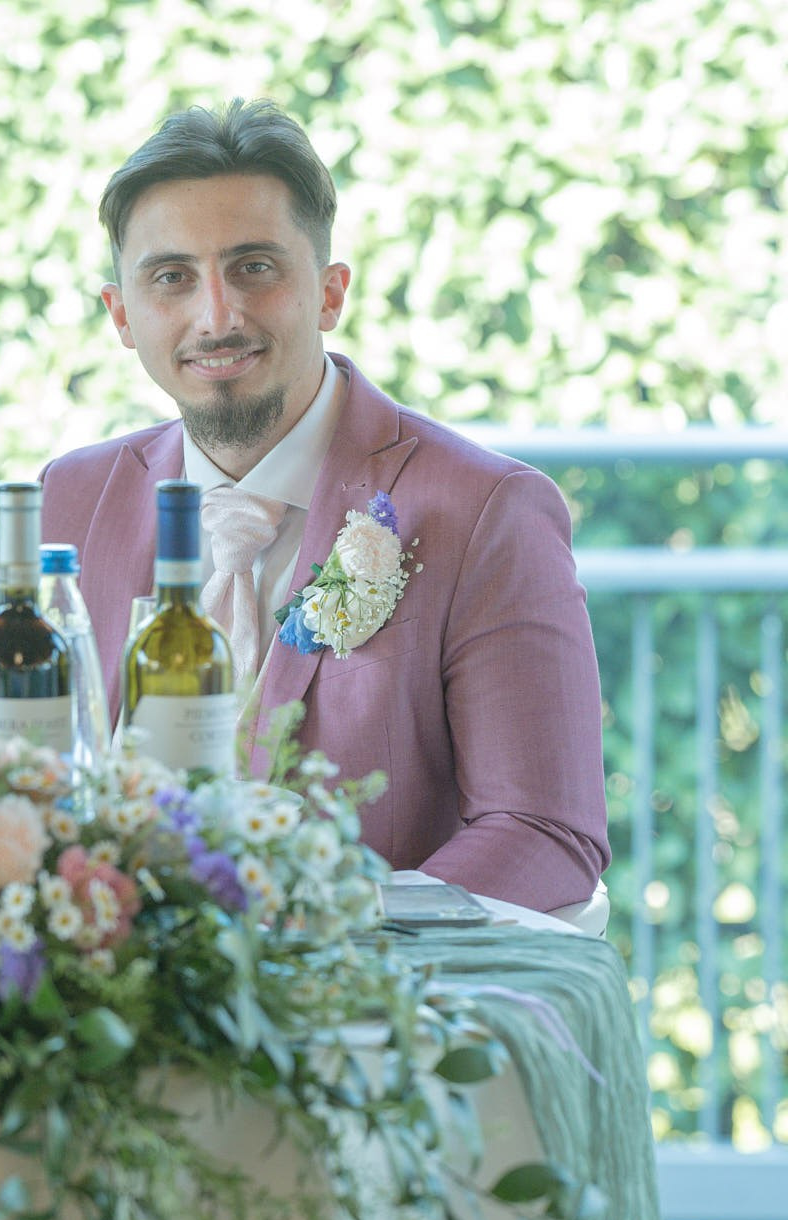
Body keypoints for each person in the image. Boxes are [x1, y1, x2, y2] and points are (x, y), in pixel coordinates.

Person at [41, 98, 608, 912]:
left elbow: (544, 830)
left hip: (367, 1010)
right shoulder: (72, 497)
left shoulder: (488, 509)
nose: (217, 315)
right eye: (172, 278)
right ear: (122, 314)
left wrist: (325, 943)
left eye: (255, 267)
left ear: (330, 292)